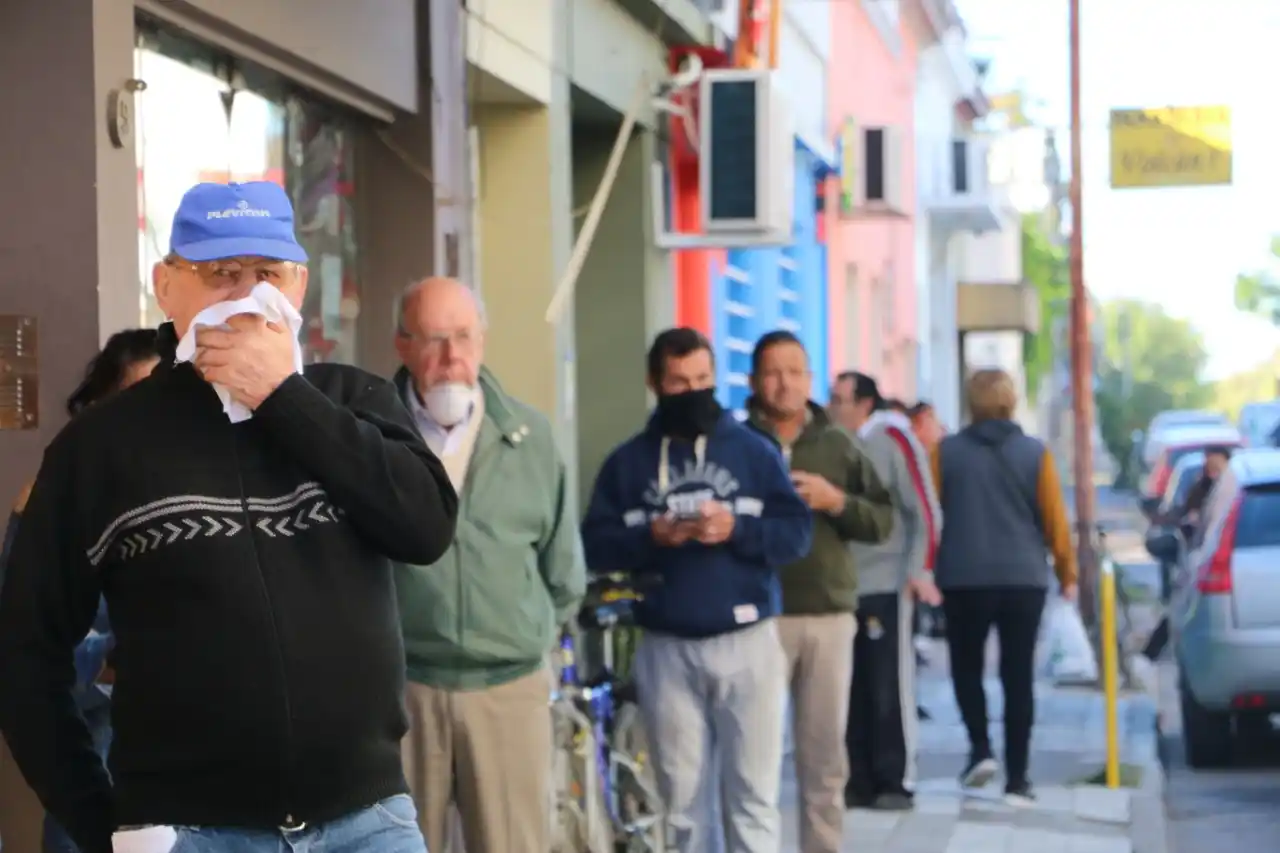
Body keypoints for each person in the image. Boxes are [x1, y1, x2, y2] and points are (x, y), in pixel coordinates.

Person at [0, 180, 459, 853]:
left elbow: (425, 527)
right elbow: (26, 654)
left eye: (268, 274)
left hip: (368, 822)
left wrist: (283, 396)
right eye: (221, 273)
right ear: (166, 287)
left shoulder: (352, 401)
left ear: (299, 287)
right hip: (191, 832)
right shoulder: (101, 447)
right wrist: (100, 823)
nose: (247, 296)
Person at [581, 327, 812, 853]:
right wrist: (652, 536)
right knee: (683, 806)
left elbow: (796, 535)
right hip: (667, 645)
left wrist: (736, 528)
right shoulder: (628, 463)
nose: (693, 392)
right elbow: (593, 546)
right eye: (679, 382)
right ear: (655, 384)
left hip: (748, 640)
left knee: (754, 800)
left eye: (703, 379)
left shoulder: (755, 452)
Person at [391, 277, 585, 853]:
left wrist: (518, 635)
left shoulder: (530, 438)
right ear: (403, 346)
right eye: (434, 339)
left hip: (508, 690)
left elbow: (564, 573)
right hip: (403, 693)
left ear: (483, 341)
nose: (451, 356)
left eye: (464, 337)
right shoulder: (370, 437)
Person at [744, 334, 893, 853]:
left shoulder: (839, 444)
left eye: (795, 371)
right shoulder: (737, 443)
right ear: (753, 380)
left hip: (827, 616)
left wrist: (836, 501)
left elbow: (882, 520)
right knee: (752, 758)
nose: (784, 383)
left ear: (810, 379)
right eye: (772, 372)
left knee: (824, 756)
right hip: (756, 617)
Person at [930, 369, 1076, 806]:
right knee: (1018, 676)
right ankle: (1018, 779)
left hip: (963, 576)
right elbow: (1054, 518)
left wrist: (924, 567)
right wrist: (1067, 572)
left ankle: (980, 749)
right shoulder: (1035, 453)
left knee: (966, 668)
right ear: (1011, 400)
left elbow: (929, 512)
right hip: (1023, 579)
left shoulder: (946, 453)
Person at [830, 373, 942, 812]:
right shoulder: (836, 443)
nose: (833, 407)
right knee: (851, 685)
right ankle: (857, 778)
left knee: (886, 683)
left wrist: (919, 569)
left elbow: (924, 509)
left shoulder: (893, 439)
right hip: (844, 586)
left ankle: (894, 778)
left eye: (840, 400)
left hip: (886, 582)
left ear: (864, 404)